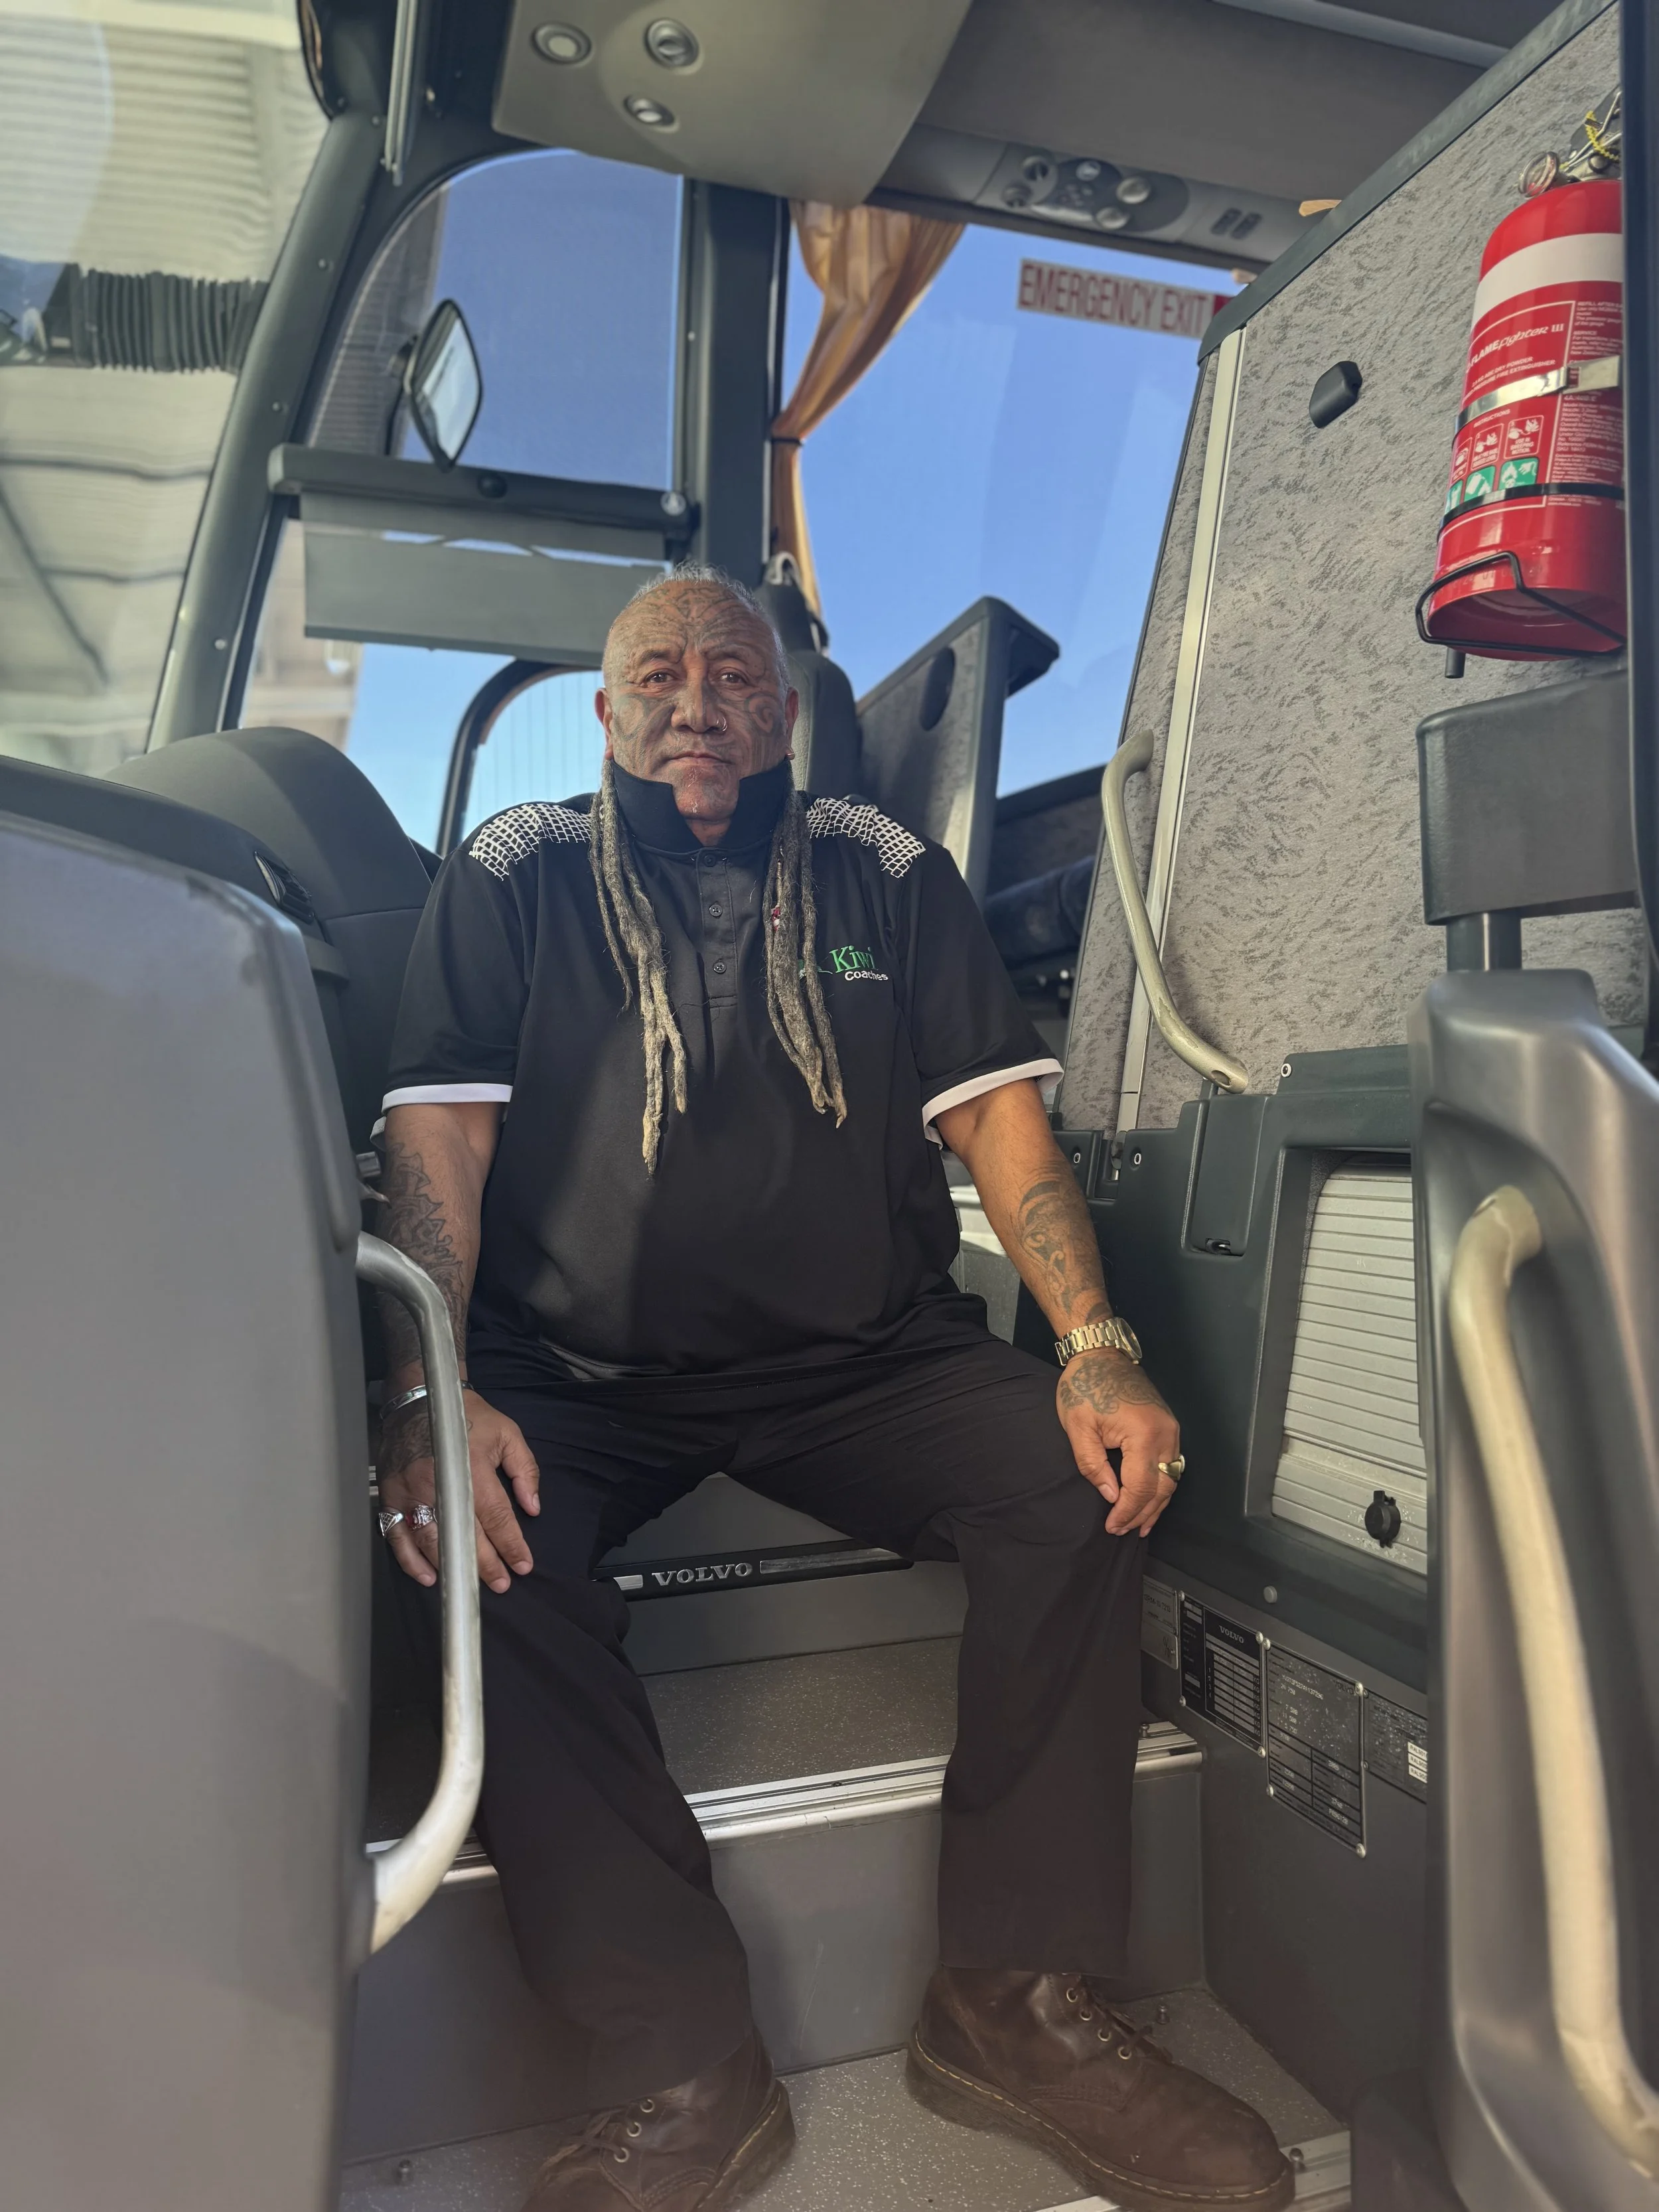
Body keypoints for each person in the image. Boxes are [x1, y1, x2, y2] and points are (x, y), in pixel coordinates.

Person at [373, 566, 1292, 2212]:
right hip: (575, 1371)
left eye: (733, 672)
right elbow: (438, 1139)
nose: (694, 697)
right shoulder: (514, 871)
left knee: (1075, 1483)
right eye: (655, 672)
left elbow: (1002, 1130)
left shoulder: (887, 869)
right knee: (477, 1558)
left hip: (864, 1359)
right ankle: (682, 2058)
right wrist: (432, 1394)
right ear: (604, 713)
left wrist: (1093, 1345)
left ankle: (1005, 2001)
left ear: (787, 713)